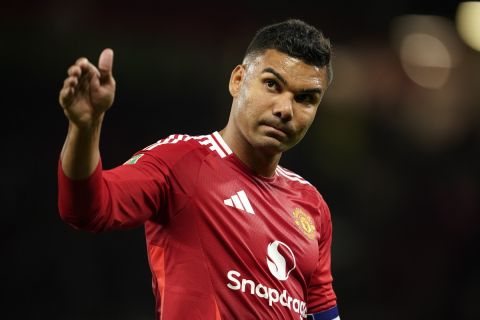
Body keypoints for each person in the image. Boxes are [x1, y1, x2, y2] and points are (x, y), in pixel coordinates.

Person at [57, 19, 340, 320]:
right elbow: (87, 209)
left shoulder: (311, 205)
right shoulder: (180, 161)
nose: (285, 109)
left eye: (305, 99)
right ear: (238, 80)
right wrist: (84, 128)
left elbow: (323, 312)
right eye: (272, 85)